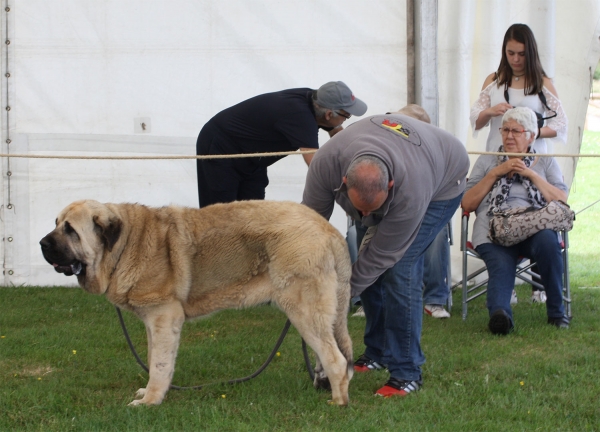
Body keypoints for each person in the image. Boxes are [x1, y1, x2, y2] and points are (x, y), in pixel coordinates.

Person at [302, 104, 469, 398]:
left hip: (443, 180)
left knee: (399, 267)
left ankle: (406, 372)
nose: (366, 217)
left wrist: (339, 297)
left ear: (390, 186)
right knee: (361, 256)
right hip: (405, 156)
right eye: (359, 209)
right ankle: (377, 351)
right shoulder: (326, 164)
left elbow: (381, 257)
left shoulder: (411, 189)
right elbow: (308, 227)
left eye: (372, 209)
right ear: (343, 183)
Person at [469, 23, 568, 303]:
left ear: (530, 53)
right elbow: (476, 120)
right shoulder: (494, 80)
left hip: (532, 156)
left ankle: (540, 286)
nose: (515, 59)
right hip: (496, 154)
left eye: (521, 54)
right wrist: (491, 112)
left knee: (535, 208)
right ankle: (505, 282)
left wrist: (529, 128)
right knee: (498, 209)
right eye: (510, 53)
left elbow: (561, 126)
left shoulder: (542, 83)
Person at [461, 107, 570, 335]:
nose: (509, 136)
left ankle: (557, 313)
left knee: (549, 245)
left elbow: (561, 200)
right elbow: (468, 203)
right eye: (505, 130)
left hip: (534, 226)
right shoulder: (487, 160)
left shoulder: (546, 162)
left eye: (516, 131)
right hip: (493, 227)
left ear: (531, 135)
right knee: (501, 265)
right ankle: (501, 315)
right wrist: (496, 173)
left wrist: (531, 174)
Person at [196, 81, 367, 207]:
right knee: (220, 215)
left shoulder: (316, 101)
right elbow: (317, 167)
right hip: (221, 147)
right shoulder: (300, 116)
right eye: (347, 115)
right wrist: (349, 198)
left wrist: (361, 163)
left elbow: (338, 136)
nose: (344, 120)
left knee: (253, 212)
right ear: (329, 114)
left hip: (253, 157)